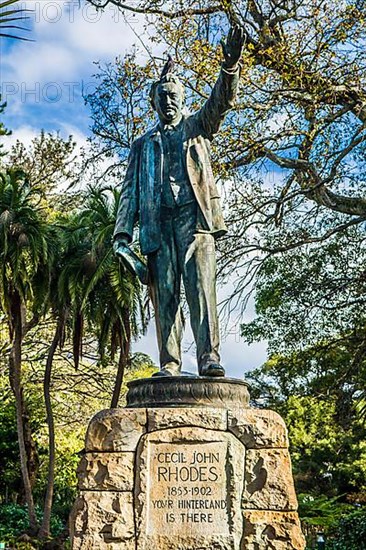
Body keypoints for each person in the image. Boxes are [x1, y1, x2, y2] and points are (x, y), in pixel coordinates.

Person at [113, 25, 244, 377]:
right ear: (154, 102)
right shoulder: (142, 145)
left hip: (194, 219)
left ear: (183, 101)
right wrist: (122, 235)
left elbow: (221, 103)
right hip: (158, 225)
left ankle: (209, 359)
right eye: (162, 97)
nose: (168, 102)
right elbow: (129, 192)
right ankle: (170, 363)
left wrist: (229, 66)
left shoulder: (197, 127)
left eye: (174, 96)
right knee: (166, 297)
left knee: (201, 291)